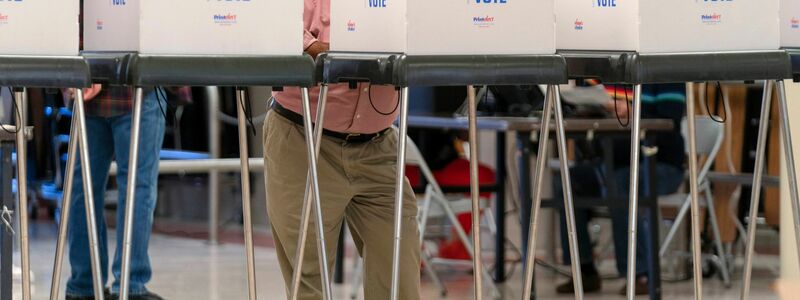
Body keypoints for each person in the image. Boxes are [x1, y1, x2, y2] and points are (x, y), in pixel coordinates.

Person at [263, 0, 421, 298]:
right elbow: (270, 20)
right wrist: (320, 48)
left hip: (378, 145)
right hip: (304, 140)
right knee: (307, 279)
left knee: (400, 273)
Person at [556, 83, 686, 295]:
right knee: (570, 181)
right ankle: (584, 270)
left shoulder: (666, 75)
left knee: (622, 181)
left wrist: (631, 111)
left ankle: (639, 274)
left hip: (662, 165)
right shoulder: (609, 75)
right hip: (614, 162)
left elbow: (669, 122)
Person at [63, 85, 168, 300]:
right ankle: (130, 285)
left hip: (87, 89)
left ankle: (84, 285)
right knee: (137, 187)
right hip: (136, 87)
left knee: (84, 188)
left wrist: (71, 82)